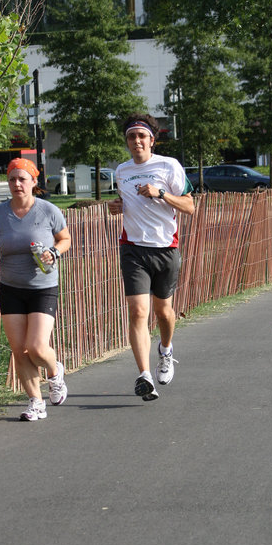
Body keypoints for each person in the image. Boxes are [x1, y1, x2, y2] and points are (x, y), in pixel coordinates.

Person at [108, 113, 195, 401]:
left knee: (163, 313)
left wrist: (161, 194)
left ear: (152, 140)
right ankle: (144, 375)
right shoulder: (121, 171)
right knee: (137, 312)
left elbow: (189, 206)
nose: (136, 141)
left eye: (141, 136)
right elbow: (125, 203)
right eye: (131, 136)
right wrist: (117, 207)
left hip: (165, 249)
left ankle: (166, 350)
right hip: (133, 248)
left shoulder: (168, 166)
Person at [0, 158, 71, 421]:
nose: (17, 184)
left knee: (37, 346)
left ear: (34, 181)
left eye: (22, 179)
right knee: (19, 349)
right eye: (12, 179)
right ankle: (35, 402)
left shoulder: (48, 210)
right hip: (10, 287)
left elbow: (65, 239)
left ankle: (55, 373)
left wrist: (54, 252)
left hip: (43, 287)